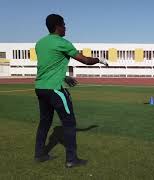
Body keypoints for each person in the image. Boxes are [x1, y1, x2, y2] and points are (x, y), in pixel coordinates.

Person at [34, 14, 108, 168]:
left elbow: (50, 66)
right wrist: (99, 60)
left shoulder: (40, 44)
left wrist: (65, 77)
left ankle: (39, 154)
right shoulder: (63, 43)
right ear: (58, 26)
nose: (66, 27)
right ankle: (71, 159)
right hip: (55, 90)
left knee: (44, 122)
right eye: (64, 24)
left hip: (40, 88)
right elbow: (85, 60)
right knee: (69, 123)